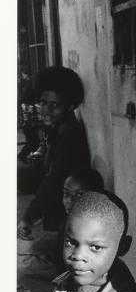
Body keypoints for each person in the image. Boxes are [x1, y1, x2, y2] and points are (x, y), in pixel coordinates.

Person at [17, 66, 90, 238]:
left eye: (54, 105)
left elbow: (53, 180)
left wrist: (28, 217)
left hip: (65, 217)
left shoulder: (70, 134)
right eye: (43, 102)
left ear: (70, 106)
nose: (45, 110)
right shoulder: (58, 128)